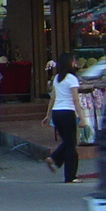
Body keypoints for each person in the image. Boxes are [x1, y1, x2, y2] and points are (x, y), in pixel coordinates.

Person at [42, 52, 85, 183]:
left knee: (68, 142)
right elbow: (76, 100)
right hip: (67, 112)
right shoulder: (72, 78)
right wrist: (82, 117)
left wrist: (48, 115)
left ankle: (55, 159)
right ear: (70, 63)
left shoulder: (56, 78)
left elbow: (53, 98)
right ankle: (70, 175)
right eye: (73, 61)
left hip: (57, 112)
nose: (75, 63)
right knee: (71, 145)